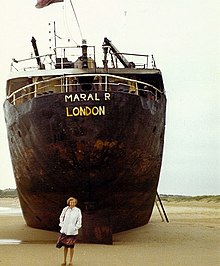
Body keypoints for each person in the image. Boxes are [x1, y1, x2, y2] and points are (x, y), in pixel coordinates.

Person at [56, 197, 82, 266]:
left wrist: (76, 227)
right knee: (65, 246)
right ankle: (64, 261)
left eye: (73, 202)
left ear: (75, 203)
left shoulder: (77, 210)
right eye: (71, 202)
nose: (72, 204)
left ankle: (70, 261)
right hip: (65, 230)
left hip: (73, 231)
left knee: (71, 246)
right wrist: (61, 224)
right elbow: (61, 216)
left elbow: (79, 220)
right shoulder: (65, 209)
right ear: (69, 202)